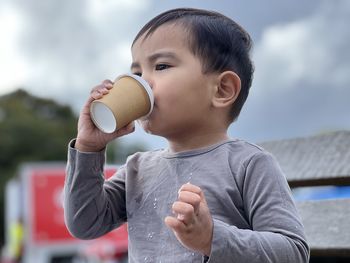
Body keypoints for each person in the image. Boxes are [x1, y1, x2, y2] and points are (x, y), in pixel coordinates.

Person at [64, 8, 309, 262]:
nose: (142, 83)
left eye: (161, 66)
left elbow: (293, 252)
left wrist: (211, 238)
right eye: (136, 73)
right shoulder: (137, 169)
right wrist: (88, 148)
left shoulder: (249, 164)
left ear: (222, 89)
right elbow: (85, 223)